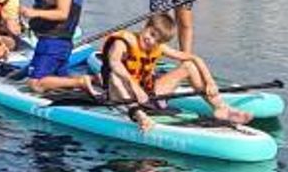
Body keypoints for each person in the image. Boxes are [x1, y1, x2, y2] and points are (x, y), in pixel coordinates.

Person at [99, 12, 252, 132]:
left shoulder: (157, 47)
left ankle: (220, 108)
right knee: (115, 77)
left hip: (147, 93)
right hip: (119, 94)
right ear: (146, 26)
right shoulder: (122, 42)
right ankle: (139, 116)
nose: (151, 41)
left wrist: (210, 81)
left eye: (157, 40)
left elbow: (194, 58)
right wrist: (135, 87)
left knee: (188, 67)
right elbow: (114, 63)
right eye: (151, 34)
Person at [21, 0, 84, 92]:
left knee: (35, 83)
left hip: (54, 43)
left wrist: (33, 13)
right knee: (59, 83)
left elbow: (63, 13)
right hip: (53, 43)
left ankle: (81, 82)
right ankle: (89, 84)